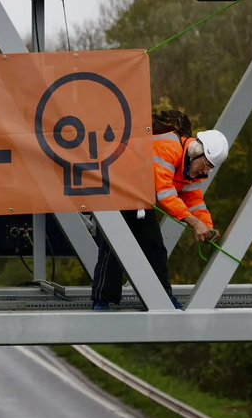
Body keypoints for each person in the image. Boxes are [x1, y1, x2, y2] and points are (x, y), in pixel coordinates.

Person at [91, 128, 229, 311]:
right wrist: (195, 224)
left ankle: (162, 297)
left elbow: (194, 201)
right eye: (205, 164)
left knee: (155, 248)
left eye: (210, 167)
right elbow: (165, 195)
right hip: (114, 189)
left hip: (138, 197)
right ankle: (102, 300)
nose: (205, 170)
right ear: (196, 151)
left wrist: (207, 227)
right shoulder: (169, 148)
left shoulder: (190, 170)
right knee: (112, 247)